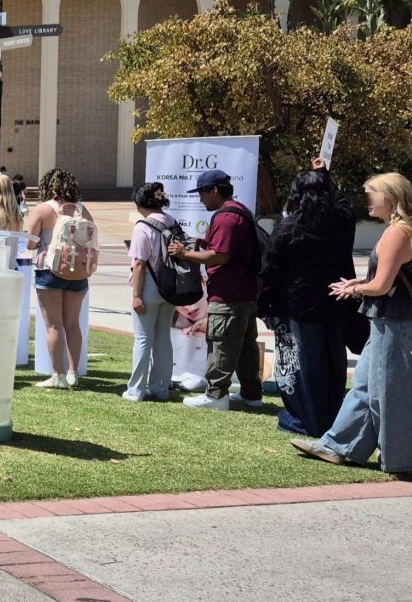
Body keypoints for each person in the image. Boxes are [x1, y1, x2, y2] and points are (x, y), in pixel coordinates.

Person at [293, 172, 412, 477]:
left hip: (392, 321)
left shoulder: (397, 232)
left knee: (388, 392)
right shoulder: (400, 230)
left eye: (373, 193)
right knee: (363, 386)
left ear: (391, 196)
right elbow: (390, 277)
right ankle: (339, 445)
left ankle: (399, 460)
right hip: (388, 320)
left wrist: (355, 289)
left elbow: (381, 287)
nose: (368, 200)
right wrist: (362, 282)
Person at [259, 162, 357, 436]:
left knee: (302, 365)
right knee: (332, 362)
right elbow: (344, 205)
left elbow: (270, 271)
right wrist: (325, 175)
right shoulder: (342, 224)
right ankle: (332, 416)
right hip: (336, 302)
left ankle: (307, 420)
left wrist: (263, 305)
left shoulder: (289, 228)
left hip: (298, 306)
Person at [168, 168, 264, 410]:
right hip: (245, 292)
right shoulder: (240, 211)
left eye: (202, 192)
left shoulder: (226, 218)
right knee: (245, 346)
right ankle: (251, 394)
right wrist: (204, 244)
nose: (200, 198)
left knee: (221, 343)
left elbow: (219, 257)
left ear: (214, 190)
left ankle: (215, 396)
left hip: (229, 294)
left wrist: (184, 253)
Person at [24, 167, 91, 389]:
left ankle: (58, 376)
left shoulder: (42, 210)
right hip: (78, 272)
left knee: (53, 325)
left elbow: (30, 244)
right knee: (73, 324)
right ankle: (73, 372)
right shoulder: (83, 211)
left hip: (49, 270)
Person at [124, 182, 179, 403]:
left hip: (148, 285)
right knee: (163, 338)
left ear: (140, 203)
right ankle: (161, 388)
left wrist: (136, 295)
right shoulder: (172, 222)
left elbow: (139, 264)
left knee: (143, 338)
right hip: (170, 288)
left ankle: (136, 389)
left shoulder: (142, 227)